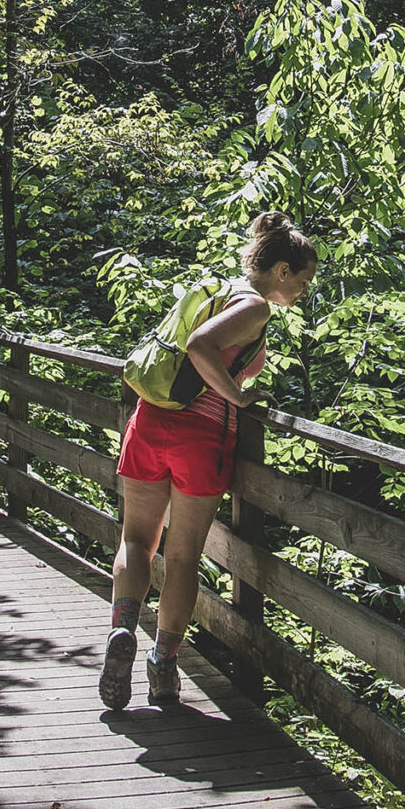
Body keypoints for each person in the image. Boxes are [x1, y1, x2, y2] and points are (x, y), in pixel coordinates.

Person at [100, 210, 318, 708]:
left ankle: (121, 630)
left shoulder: (215, 288)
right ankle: (163, 664)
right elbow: (200, 348)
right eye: (302, 280)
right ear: (281, 270)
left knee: (136, 539)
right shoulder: (254, 307)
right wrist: (238, 398)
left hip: (150, 421)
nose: (303, 291)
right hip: (199, 436)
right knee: (181, 556)